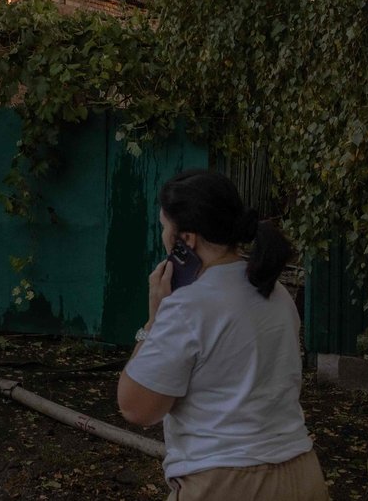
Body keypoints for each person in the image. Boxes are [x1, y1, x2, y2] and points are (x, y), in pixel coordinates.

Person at [117, 169, 328, 501]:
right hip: (302, 474)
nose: (163, 235)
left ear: (185, 240)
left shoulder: (187, 306)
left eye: (163, 227)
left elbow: (136, 408)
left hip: (227, 483)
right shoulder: (276, 293)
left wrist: (154, 318)